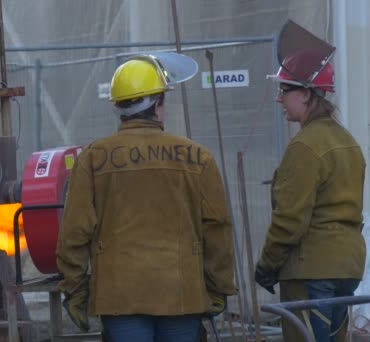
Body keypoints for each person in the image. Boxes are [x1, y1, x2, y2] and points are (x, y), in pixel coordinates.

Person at [56, 53, 236, 341]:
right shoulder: (198, 158)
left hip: (120, 296)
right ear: (159, 103)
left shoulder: (93, 158)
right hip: (182, 293)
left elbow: (74, 233)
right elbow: (217, 229)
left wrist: (75, 290)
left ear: (118, 107)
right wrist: (218, 288)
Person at [255, 50, 366, 342]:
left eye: (284, 89)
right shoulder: (348, 142)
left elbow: (290, 219)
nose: (279, 97)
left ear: (305, 94)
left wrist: (267, 265)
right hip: (347, 266)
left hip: (311, 268)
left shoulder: (304, 145)